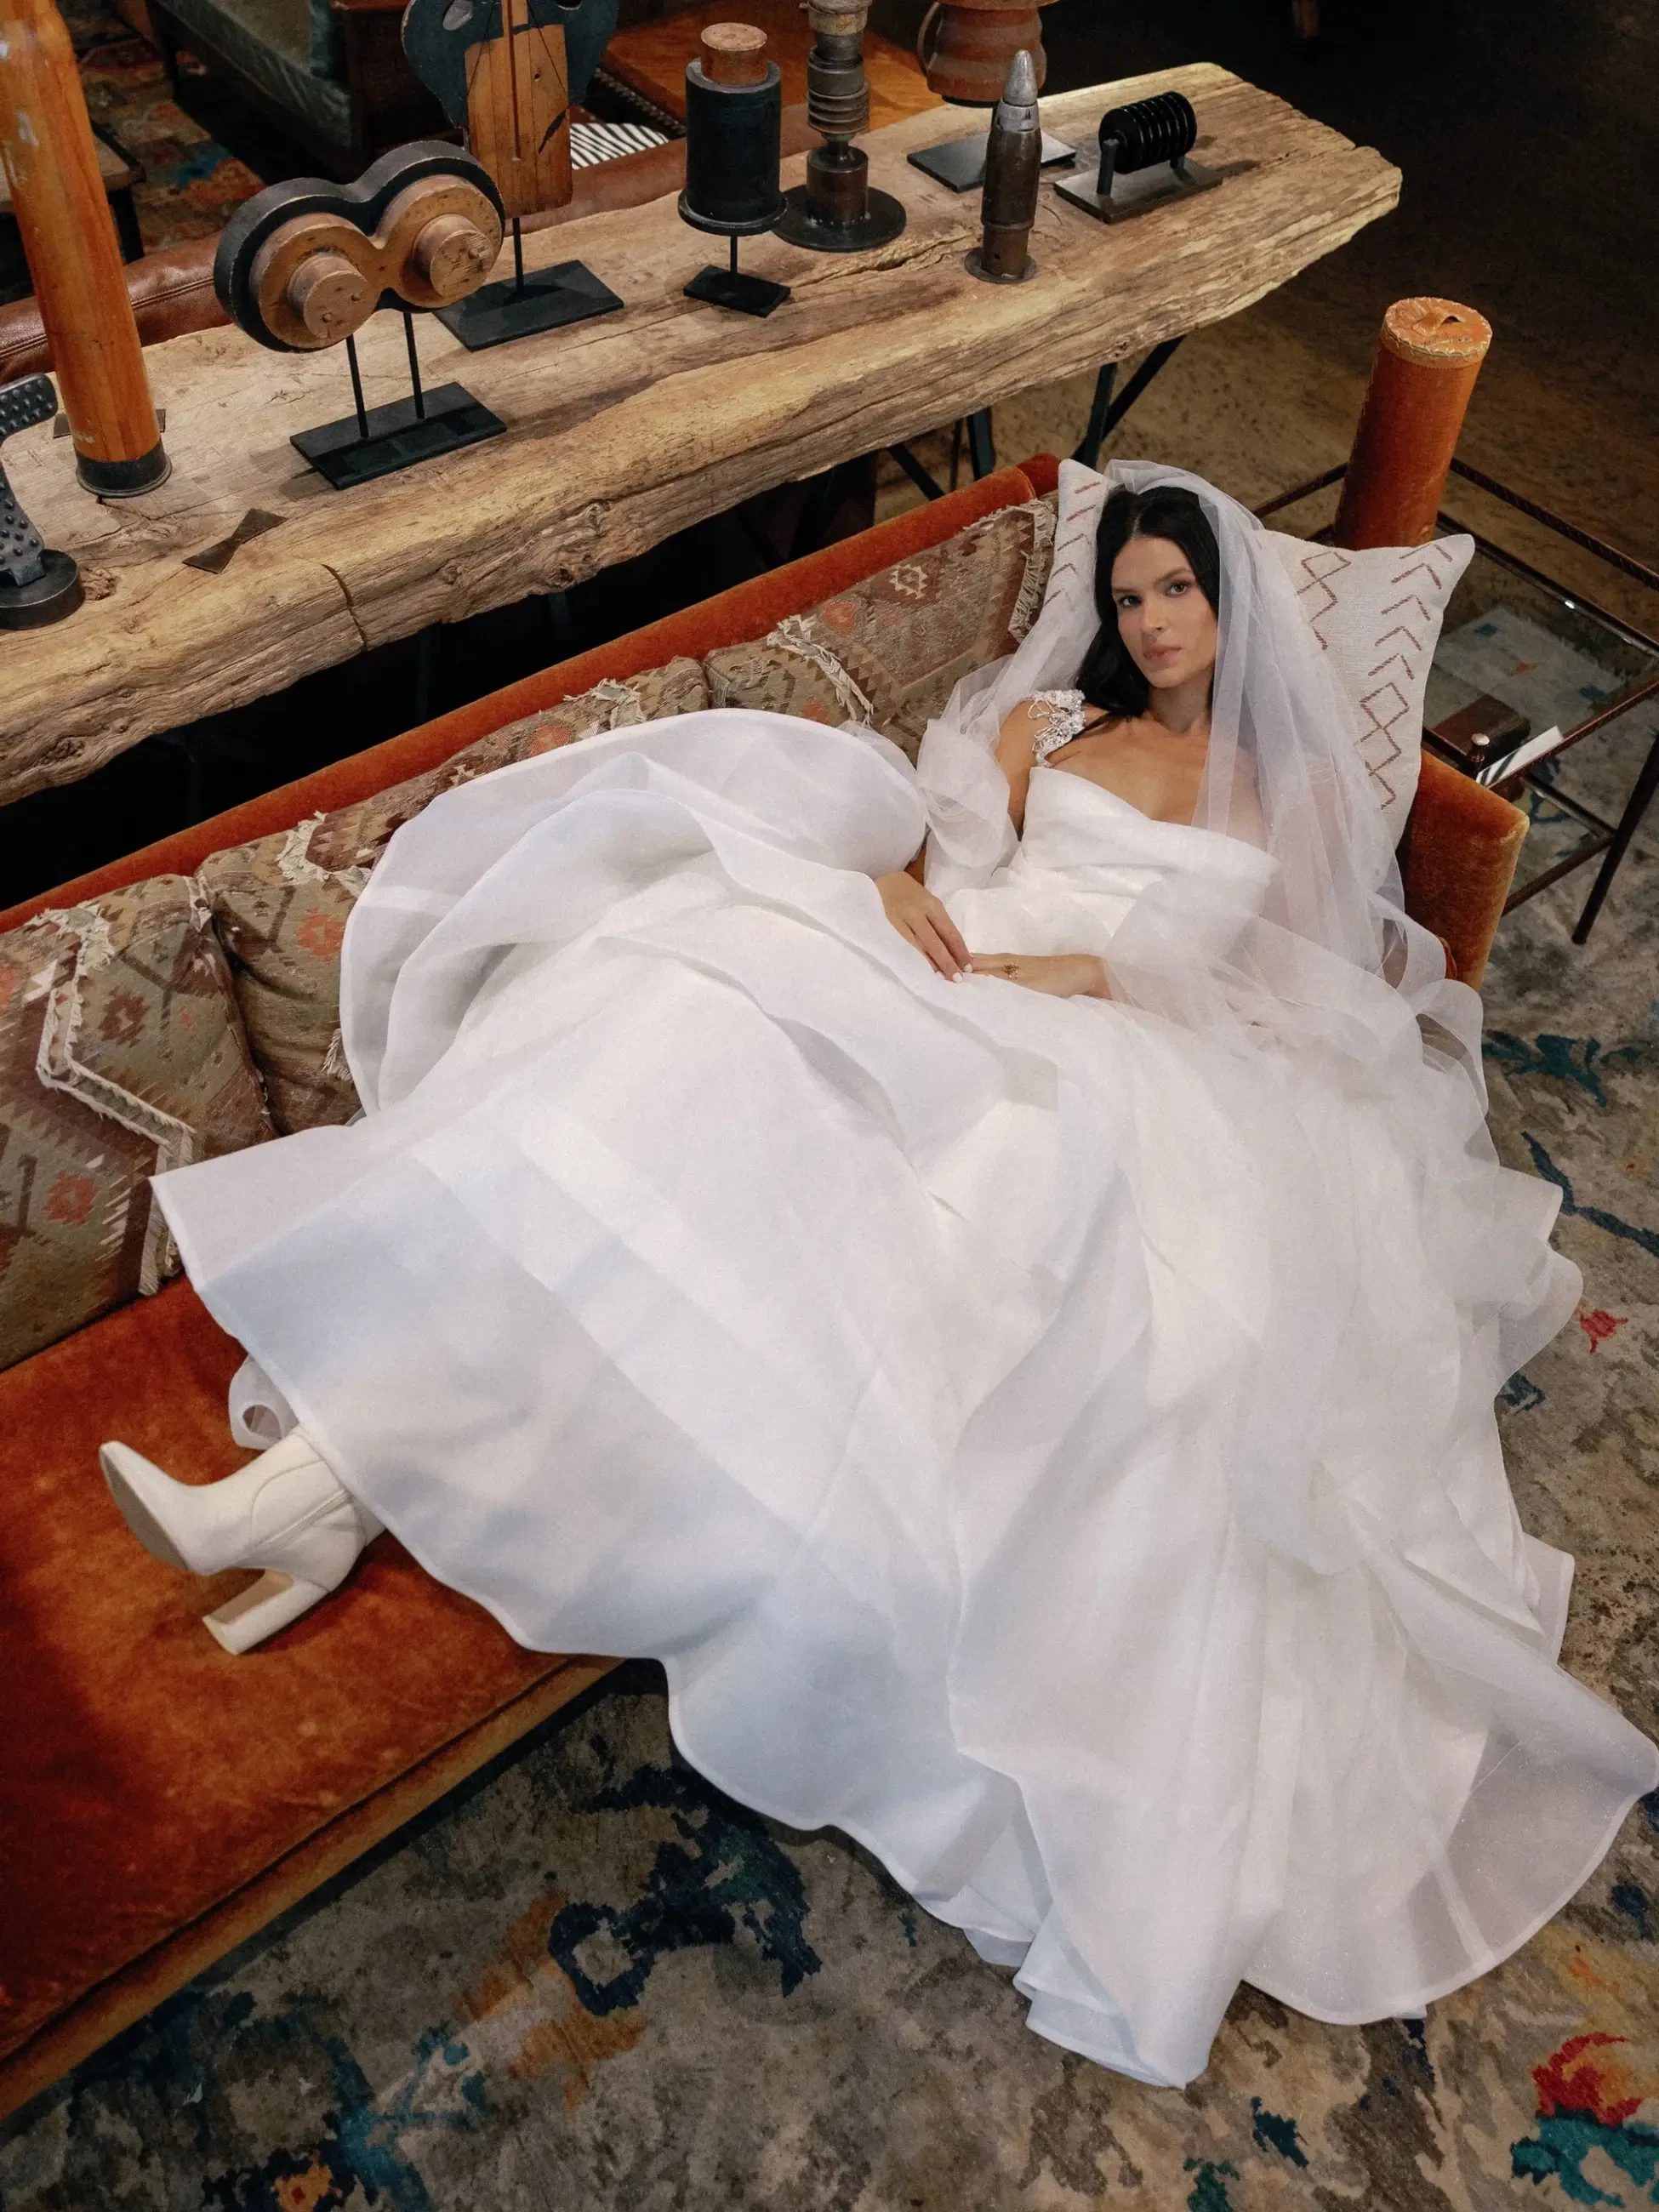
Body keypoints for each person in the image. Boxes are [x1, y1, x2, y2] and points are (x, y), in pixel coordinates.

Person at [98, 461, 1659, 2087]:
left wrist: (1101, 976)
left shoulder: (1292, 793)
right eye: (1127, 595)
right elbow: (929, 846)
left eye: (1177, 592)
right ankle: (316, 1487)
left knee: (982, 1214)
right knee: (674, 1031)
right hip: (941, 974)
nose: (1150, 622)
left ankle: (315, 1495)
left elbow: (1299, 999)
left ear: (1231, 603)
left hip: (1124, 1045)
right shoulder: (1050, 723)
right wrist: (900, 886)